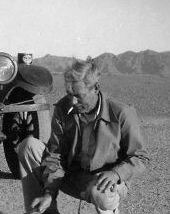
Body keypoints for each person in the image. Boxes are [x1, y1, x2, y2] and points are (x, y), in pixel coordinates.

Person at [17, 58, 149, 214]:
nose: (72, 101)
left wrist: (115, 174)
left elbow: (140, 157)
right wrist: (49, 193)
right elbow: (55, 156)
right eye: (69, 94)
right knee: (29, 146)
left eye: (79, 95)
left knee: (102, 194)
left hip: (104, 181)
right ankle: (42, 211)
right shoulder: (63, 109)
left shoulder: (121, 113)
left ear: (96, 88)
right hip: (73, 176)